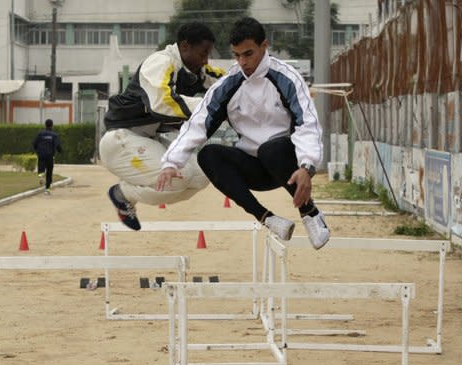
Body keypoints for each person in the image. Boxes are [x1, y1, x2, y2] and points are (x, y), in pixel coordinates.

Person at [156, 17, 330, 249]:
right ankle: (267, 218)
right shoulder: (228, 84)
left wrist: (307, 166)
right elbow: (198, 123)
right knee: (208, 155)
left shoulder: (287, 78)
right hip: (254, 168)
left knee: (271, 149)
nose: (242, 62)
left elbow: (307, 123)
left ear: (264, 46)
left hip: (288, 166)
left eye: (248, 54)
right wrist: (171, 162)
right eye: (236, 55)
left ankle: (311, 213)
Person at [101, 22, 224, 230]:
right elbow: (162, 104)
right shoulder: (160, 62)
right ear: (185, 46)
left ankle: (131, 192)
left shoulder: (197, 70)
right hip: (121, 140)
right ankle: (122, 194)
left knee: (202, 175)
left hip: (149, 139)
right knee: (179, 177)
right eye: (202, 54)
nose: (205, 60)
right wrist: (210, 107)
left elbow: (226, 84)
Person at [32, 118, 62, 195]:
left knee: (41, 168)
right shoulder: (54, 135)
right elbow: (57, 145)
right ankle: (47, 189)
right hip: (50, 156)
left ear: (45, 125)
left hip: (41, 155)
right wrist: (60, 151)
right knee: (49, 172)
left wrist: (37, 151)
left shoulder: (40, 134)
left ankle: (41, 176)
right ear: (52, 125)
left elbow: (34, 143)